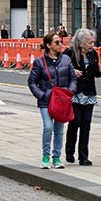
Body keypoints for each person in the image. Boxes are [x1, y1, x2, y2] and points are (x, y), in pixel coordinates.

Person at [28, 32, 77, 169]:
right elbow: (32, 82)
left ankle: (56, 157)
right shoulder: (39, 62)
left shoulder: (66, 60)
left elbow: (73, 78)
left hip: (62, 101)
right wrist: (42, 95)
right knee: (48, 127)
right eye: (57, 42)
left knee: (59, 129)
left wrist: (69, 92)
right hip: (46, 100)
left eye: (61, 42)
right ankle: (45, 156)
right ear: (48, 45)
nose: (60, 45)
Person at [64, 29, 101, 165]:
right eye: (90, 42)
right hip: (75, 92)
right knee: (75, 122)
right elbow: (60, 69)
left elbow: (94, 72)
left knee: (86, 124)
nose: (92, 45)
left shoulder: (93, 54)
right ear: (80, 43)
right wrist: (71, 71)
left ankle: (83, 156)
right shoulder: (69, 53)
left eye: (93, 42)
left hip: (89, 92)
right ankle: (69, 151)